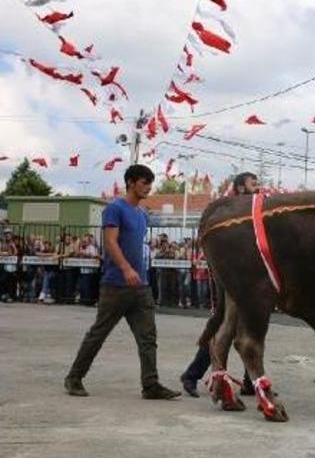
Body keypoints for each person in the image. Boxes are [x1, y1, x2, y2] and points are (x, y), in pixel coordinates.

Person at [64, 165, 180, 400]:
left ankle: (151, 385)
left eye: (150, 183)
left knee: (148, 338)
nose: (148, 187)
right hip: (115, 285)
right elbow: (110, 242)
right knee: (99, 334)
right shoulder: (115, 208)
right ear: (130, 182)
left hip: (141, 286)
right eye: (144, 182)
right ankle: (74, 378)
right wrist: (126, 268)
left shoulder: (141, 214)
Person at [180, 172, 258, 397]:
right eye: (254, 184)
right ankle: (192, 375)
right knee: (225, 328)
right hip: (230, 279)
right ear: (241, 188)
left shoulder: (250, 213)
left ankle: (250, 381)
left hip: (247, 280)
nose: (258, 188)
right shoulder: (230, 213)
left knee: (249, 329)